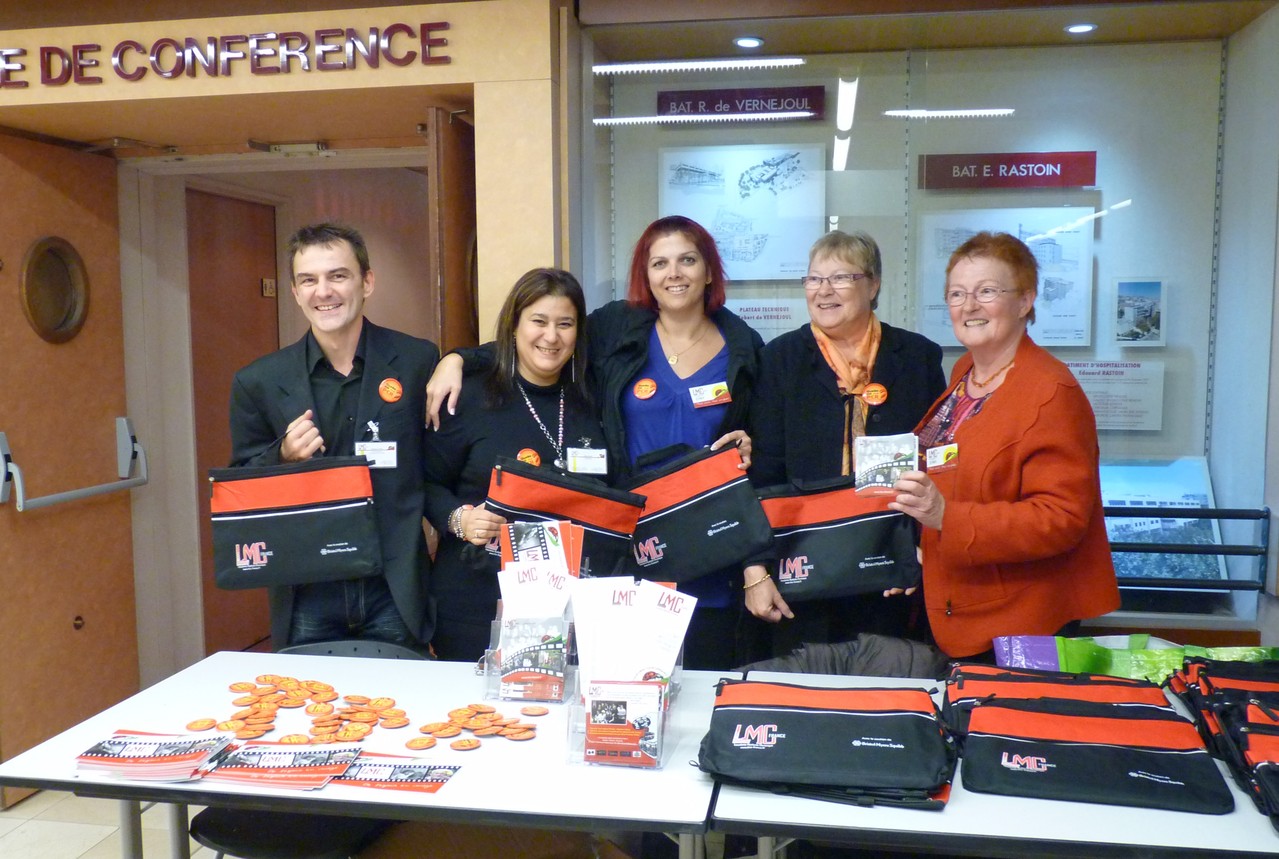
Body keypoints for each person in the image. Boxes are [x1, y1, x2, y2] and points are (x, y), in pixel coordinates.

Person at [427, 216, 764, 669]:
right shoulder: (617, 331)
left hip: (703, 543)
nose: (674, 273)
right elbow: (537, 342)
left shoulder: (743, 345)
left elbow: (757, 437)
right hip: (621, 555)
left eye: (687, 259)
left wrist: (748, 446)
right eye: (659, 262)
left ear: (709, 270)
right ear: (644, 275)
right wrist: (455, 357)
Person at [890, 231, 1120, 660]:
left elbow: (1061, 518)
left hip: (1019, 625)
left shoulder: (1051, 392)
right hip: (961, 604)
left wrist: (947, 517)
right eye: (956, 294)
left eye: (987, 291)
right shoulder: (966, 372)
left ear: (1025, 301)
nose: (969, 306)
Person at [228, 222, 439, 651]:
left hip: (393, 585)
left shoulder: (418, 361)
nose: (323, 291)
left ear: (367, 281)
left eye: (337, 275)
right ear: (294, 291)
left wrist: (458, 359)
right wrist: (282, 456)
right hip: (308, 589)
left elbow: (437, 462)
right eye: (309, 280)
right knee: (310, 713)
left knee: (401, 708)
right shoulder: (259, 381)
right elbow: (239, 490)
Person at [744, 230, 946, 656]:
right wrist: (756, 570)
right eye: (814, 279)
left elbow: (936, 464)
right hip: (802, 565)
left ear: (873, 285)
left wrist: (926, 549)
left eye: (840, 278)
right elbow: (763, 474)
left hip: (891, 564)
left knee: (887, 688)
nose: (824, 291)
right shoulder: (780, 360)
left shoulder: (917, 358)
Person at [422, 268, 605, 661]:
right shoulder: (469, 396)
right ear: (515, 325)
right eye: (538, 321)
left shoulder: (594, 398)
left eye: (565, 324)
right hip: (476, 600)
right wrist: (460, 519)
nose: (551, 336)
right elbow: (425, 482)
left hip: (572, 606)